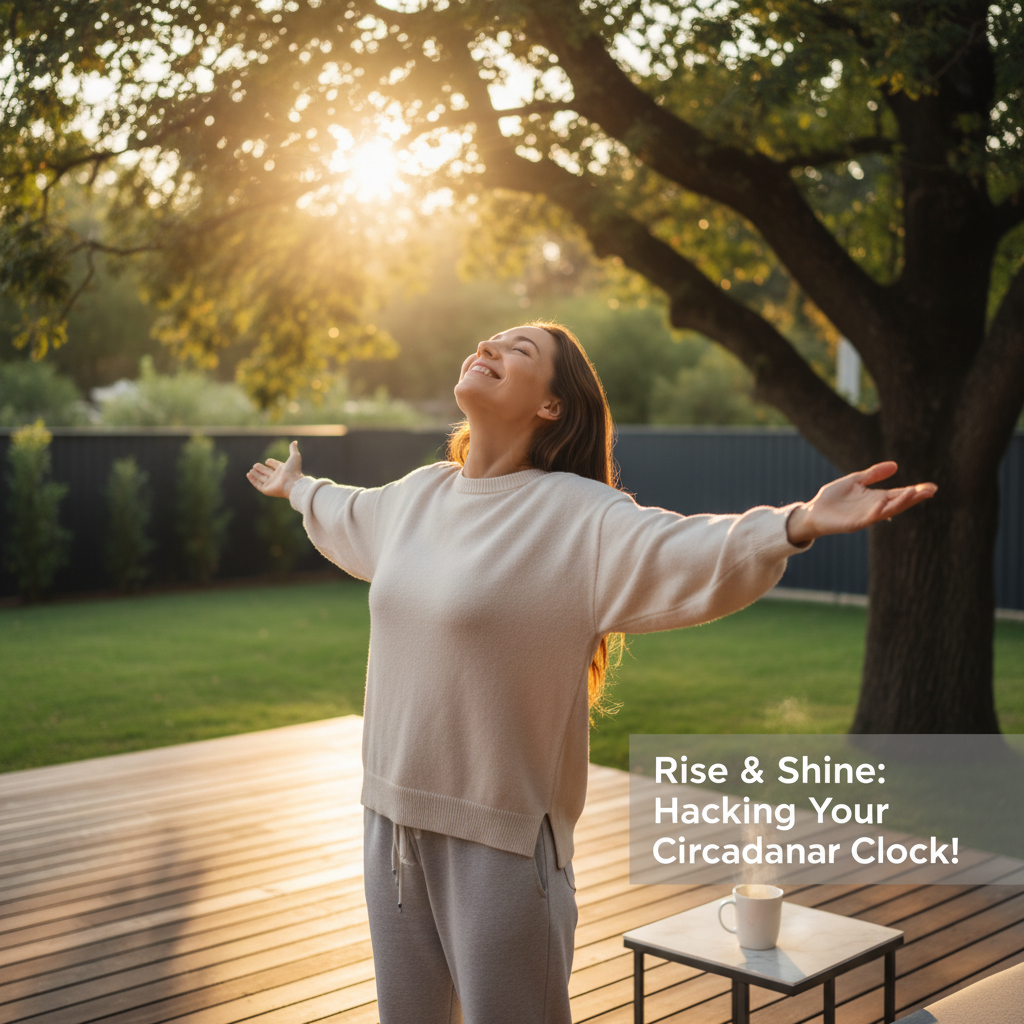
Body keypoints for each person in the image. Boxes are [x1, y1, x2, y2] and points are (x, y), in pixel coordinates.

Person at [246, 321, 935, 1024]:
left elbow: (689, 548)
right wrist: (300, 488)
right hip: (388, 826)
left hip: (502, 846)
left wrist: (797, 521)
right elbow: (347, 509)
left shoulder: (581, 519)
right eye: (488, 341)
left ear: (553, 406)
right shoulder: (417, 496)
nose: (487, 349)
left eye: (517, 352)